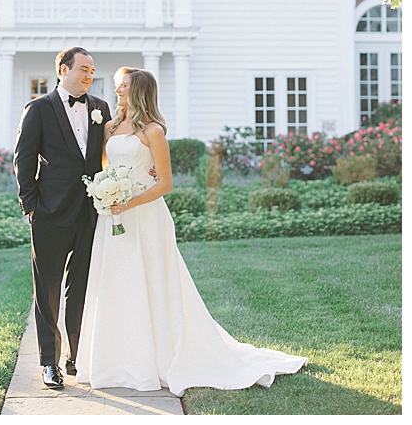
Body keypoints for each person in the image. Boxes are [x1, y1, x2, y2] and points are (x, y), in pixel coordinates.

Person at [75, 67, 308, 397]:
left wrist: (130, 202)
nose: (118, 91)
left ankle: (153, 359)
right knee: (117, 281)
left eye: (123, 86)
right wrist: (107, 192)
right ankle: (116, 361)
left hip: (145, 216)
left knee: (151, 282)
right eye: (117, 86)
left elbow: (166, 183)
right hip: (113, 215)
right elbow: (104, 167)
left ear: (139, 89)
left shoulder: (154, 131)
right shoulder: (111, 126)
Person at [13, 46, 112, 389]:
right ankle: (48, 362)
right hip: (49, 215)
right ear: (63, 70)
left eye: (91, 70)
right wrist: (31, 207)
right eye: (83, 69)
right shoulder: (38, 109)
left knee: (82, 288)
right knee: (48, 291)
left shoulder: (100, 108)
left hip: (89, 213)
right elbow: (24, 160)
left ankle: (76, 356)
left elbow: (104, 157)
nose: (88, 75)